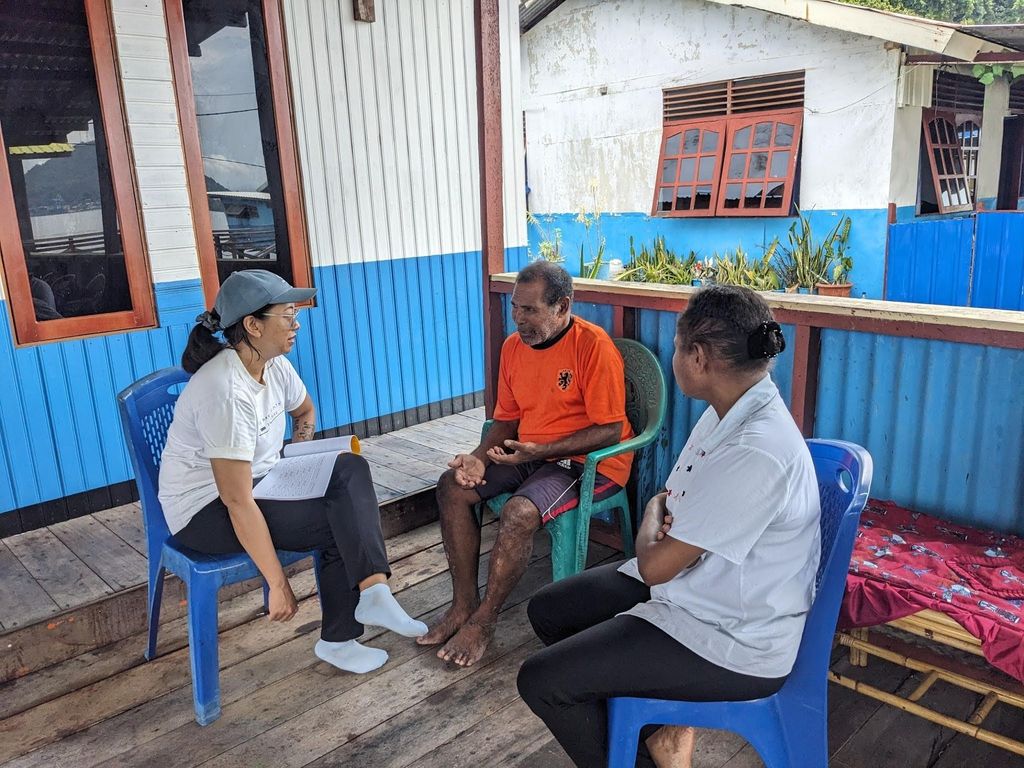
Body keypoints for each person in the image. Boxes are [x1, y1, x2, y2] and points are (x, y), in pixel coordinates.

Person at [516, 285, 822, 768]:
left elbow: (656, 558)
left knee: (542, 681)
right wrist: (661, 518)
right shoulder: (728, 411)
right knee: (550, 610)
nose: (675, 356)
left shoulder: (755, 448)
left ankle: (641, 752)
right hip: (697, 587)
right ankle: (657, 729)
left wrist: (651, 521)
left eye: (678, 346)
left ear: (697, 357)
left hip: (732, 636)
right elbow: (672, 505)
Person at [158, 269, 426, 675]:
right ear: (252, 324)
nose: (296, 324)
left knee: (349, 467)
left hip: (262, 481)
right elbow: (235, 499)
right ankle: (341, 638)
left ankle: (372, 591)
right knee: (338, 518)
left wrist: (300, 453)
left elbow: (304, 410)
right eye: (287, 315)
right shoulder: (226, 391)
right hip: (203, 511)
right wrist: (278, 584)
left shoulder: (272, 364)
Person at [416, 261, 634, 667]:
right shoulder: (514, 348)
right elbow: (506, 419)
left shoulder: (593, 346)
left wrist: (541, 449)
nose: (518, 319)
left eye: (530, 311)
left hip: (586, 463)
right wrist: (479, 459)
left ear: (562, 306)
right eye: (515, 308)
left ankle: (484, 620)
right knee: (452, 485)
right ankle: (463, 603)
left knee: (519, 512)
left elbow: (609, 429)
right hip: (528, 451)